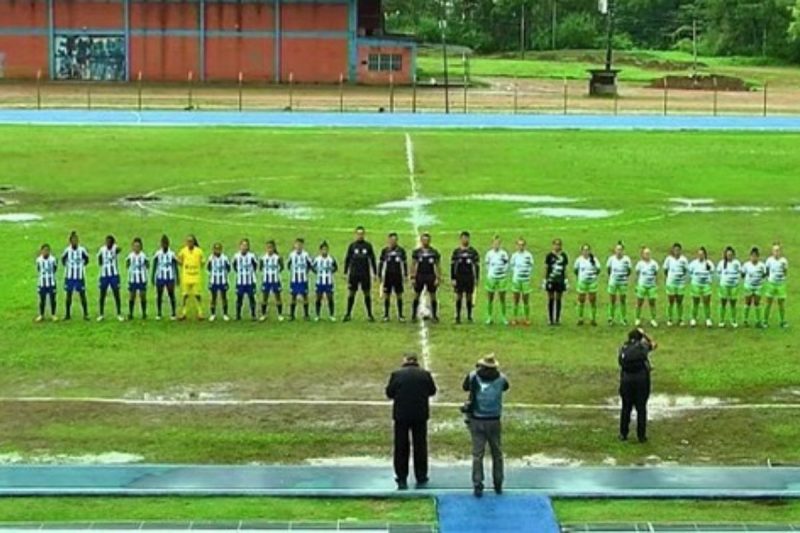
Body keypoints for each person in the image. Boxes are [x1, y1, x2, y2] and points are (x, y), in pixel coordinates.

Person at [385, 353, 437, 491]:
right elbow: (432, 391)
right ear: (416, 361)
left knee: (401, 446)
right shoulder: (425, 374)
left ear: (406, 361)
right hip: (420, 415)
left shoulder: (397, 374)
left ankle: (401, 477)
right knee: (420, 446)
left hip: (401, 416)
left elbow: (389, 393)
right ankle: (421, 476)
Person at [463, 354, 509, 498]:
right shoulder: (502, 378)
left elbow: (465, 387)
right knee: (497, 453)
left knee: (477, 454)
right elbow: (506, 387)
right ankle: (498, 483)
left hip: (477, 420)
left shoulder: (473, 376)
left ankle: (477, 484)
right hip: (494, 420)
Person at [618, 328, 658, 443]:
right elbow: (654, 344)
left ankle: (623, 434)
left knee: (626, 408)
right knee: (641, 409)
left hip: (626, 381)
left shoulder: (623, 348)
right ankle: (641, 436)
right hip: (641, 381)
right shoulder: (642, 347)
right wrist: (645, 334)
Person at [343, 226, 377, 322]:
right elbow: (347, 259)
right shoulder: (352, 246)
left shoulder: (368, 246)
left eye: (362, 234)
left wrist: (375, 273)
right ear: (356, 234)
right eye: (358, 234)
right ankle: (348, 314)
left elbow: (373, 259)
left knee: (367, 294)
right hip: (354, 275)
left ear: (364, 234)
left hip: (365, 275)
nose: (360, 235)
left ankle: (370, 315)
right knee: (351, 294)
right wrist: (345, 272)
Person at [410, 233, 441, 323]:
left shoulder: (434, 252)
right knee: (416, 295)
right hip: (420, 276)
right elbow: (413, 264)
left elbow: (438, 265)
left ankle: (434, 316)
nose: (425, 241)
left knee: (433, 296)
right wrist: (412, 277)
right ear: (421, 240)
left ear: (429, 241)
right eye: (424, 240)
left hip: (430, 276)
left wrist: (438, 278)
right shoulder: (417, 252)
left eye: (427, 240)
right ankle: (413, 315)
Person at [450, 231, 480, 324]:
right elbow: (452, 266)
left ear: (469, 239)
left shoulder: (473, 252)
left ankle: (469, 316)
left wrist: (477, 278)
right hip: (459, 277)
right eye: (463, 238)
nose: (465, 240)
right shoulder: (456, 252)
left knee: (469, 297)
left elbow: (477, 266)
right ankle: (458, 316)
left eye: (466, 238)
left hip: (469, 277)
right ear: (460, 239)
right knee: (458, 296)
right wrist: (453, 278)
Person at [61, 231, 90, 320]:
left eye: (76, 240)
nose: (75, 242)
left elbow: (87, 259)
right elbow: (63, 260)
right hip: (69, 277)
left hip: (79, 277)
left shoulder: (82, 250)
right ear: (70, 241)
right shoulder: (67, 250)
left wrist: (81, 266)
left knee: (82, 295)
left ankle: (85, 314)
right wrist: (68, 267)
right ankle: (67, 314)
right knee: (68, 295)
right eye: (73, 240)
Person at [379, 232, 408, 322]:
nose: (393, 241)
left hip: (398, 276)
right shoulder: (385, 251)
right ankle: (386, 315)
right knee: (387, 295)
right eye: (391, 240)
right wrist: (379, 274)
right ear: (389, 240)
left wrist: (406, 275)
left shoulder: (401, 251)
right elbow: (381, 263)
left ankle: (400, 315)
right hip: (388, 276)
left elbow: (404, 263)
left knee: (399, 295)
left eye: (395, 240)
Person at [177, 235, 204, 320]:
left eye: (191, 241)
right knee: (185, 295)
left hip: (196, 277)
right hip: (186, 277)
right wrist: (183, 265)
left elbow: (202, 262)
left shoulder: (199, 251)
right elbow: (179, 260)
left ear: (194, 242)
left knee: (197, 295)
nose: (189, 243)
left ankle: (200, 313)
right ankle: (184, 313)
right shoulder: (183, 251)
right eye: (188, 241)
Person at [286, 238, 315, 321]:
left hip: (303, 280)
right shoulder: (291, 255)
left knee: (305, 296)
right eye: (297, 245)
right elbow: (288, 265)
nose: (298, 246)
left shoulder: (306, 255)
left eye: (300, 245)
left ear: (302, 246)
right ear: (294, 245)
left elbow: (310, 264)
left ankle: (306, 315)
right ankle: (292, 315)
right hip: (294, 280)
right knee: (293, 296)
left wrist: (307, 271)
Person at [484, 235, 510, 325]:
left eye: (498, 243)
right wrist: (490, 273)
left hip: (502, 278)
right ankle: (489, 317)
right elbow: (487, 265)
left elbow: (507, 265)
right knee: (490, 297)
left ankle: (503, 317)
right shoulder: (489, 254)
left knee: (502, 297)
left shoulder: (504, 254)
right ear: (492, 244)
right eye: (495, 243)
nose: (496, 245)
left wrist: (503, 273)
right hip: (491, 278)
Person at [152, 235, 179, 321]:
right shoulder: (158, 254)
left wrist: (177, 277)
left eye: (166, 243)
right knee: (159, 295)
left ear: (168, 244)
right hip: (160, 277)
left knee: (171, 295)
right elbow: (155, 265)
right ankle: (159, 313)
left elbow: (175, 266)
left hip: (170, 277)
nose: (164, 245)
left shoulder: (172, 254)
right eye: (163, 243)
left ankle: (173, 313)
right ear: (161, 244)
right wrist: (153, 276)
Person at [97, 235, 123, 322]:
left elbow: (119, 249)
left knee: (116, 293)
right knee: (102, 294)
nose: (108, 243)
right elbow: (99, 259)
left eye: (109, 242)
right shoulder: (102, 249)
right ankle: (101, 314)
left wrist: (115, 249)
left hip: (114, 275)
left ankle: (119, 313)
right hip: (104, 275)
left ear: (112, 242)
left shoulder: (115, 248)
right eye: (107, 241)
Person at [509, 237, 534, 326]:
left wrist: (527, 275)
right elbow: (511, 266)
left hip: (526, 280)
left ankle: (527, 318)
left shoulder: (528, 255)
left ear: (525, 246)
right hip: (516, 280)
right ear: (516, 246)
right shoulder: (514, 256)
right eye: (519, 245)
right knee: (516, 299)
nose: (521, 247)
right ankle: (515, 318)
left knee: (526, 299)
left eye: (522, 245)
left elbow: (531, 266)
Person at [663, 243, 690, 327]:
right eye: (675, 250)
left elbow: (686, 270)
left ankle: (680, 319)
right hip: (671, 283)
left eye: (678, 250)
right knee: (671, 301)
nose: (676, 252)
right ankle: (670, 318)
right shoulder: (668, 259)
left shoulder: (684, 260)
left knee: (679, 301)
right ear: (673, 250)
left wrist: (681, 278)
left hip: (680, 284)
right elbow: (665, 270)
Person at [606, 242, 632, 326]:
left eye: (620, 250)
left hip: (623, 283)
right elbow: (609, 270)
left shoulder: (627, 259)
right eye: (617, 249)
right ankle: (610, 317)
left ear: (623, 251)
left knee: (623, 300)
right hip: (613, 282)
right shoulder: (611, 259)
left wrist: (624, 277)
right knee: (612, 300)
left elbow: (629, 271)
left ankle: (623, 318)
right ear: (615, 250)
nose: (619, 251)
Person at [232, 238, 259, 321]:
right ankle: (238, 315)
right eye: (243, 245)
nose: (244, 247)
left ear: (248, 247)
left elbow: (255, 266)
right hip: (240, 281)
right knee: (239, 298)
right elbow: (234, 266)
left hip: (250, 281)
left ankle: (253, 315)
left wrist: (250, 274)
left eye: (246, 245)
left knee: (251, 297)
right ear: (240, 246)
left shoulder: (252, 256)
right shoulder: (236, 256)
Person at [544, 238, 569, 325]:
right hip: (551, 280)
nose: (557, 246)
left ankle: (557, 319)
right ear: (553, 245)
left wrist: (566, 280)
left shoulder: (564, 256)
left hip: (560, 280)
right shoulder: (549, 256)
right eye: (555, 244)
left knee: (558, 299)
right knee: (551, 298)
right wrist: (545, 279)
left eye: (558, 245)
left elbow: (565, 269)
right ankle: (550, 319)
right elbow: (546, 268)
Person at [574, 244, 600, 326]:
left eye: (587, 250)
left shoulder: (594, 260)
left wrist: (593, 277)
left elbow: (598, 269)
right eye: (584, 250)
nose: (586, 252)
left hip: (592, 282)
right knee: (581, 300)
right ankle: (580, 318)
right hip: (582, 282)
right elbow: (576, 270)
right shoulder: (579, 260)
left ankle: (593, 318)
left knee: (592, 300)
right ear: (581, 251)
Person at [716, 246, 742, 328]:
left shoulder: (736, 263)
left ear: (733, 255)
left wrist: (736, 281)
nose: (729, 256)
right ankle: (721, 320)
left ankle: (733, 320)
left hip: (734, 286)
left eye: (731, 255)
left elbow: (740, 272)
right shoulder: (722, 263)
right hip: (724, 286)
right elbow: (718, 273)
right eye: (728, 255)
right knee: (723, 302)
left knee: (733, 303)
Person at [689, 246, 714, 328]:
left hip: (706, 285)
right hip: (696, 284)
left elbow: (712, 272)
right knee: (695, 301)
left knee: (706, 301)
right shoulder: (693, 263)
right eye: (699, 254)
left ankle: (708, 319)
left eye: (702, 254)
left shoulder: (708, 263)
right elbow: (690, 272)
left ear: (705, 255)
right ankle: (693, 318)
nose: (700, 256)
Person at [764, 243, 789, 328]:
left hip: (781, 285)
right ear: (772, 252)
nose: (776, 252)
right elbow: (767, 271)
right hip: (771, 284)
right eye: (774, 250)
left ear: (780, 251)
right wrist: (768, 279)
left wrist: (783, 279)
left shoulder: (784, 261)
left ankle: (782, 321)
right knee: (768, 303)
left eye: (778, 250)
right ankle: (765, 321)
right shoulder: (769, 260)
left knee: (781, 303)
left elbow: (785, 271)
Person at [259, 240, 284, 322]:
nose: (269, 249)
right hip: (266, 280)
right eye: (268, 248)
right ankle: (263, 314)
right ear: (266, 248)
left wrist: (276, 273)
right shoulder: (263, 258)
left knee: (278, 297)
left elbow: (282, 267)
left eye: (271, 248)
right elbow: (261, 268)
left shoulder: (278, 257)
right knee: (265, 297)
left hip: (275, 280)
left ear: (274, 248)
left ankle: (280, 314)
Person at [742, 246, 767, 328]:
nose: (754, 258)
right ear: (750, 256)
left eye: (755, 256)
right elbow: (743, 274)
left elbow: (764, 275)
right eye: (752, 256)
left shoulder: (762, 265)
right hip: (748, 286)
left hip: (758, 287)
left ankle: (758, 321)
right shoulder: (746, 265)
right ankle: (745, 320)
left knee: (757, 303)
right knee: (747, 302)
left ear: (758, 257)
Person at [313, 241, 338, 322]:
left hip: (328, 282)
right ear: (320, 250)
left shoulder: (331, 259)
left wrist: (331, 271)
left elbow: (335, 268)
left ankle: (331, 315)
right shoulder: (317, 259)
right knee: (318, 299)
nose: (325, 251)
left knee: (330, 298)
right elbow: (312, 267)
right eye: (323, 249)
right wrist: (317, 272)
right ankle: (317, 315)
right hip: (319, 282)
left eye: (326, 249)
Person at [634, 247, 659, 328]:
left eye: (648, 253)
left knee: (652, 302)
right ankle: (637, 318)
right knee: (639, 302)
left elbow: (656, 273)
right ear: (642, 255)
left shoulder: (654, 264)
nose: (647, 255)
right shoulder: (640, 264)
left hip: (652, 286)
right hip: (642, 285)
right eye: (645, 253)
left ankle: (653, 319)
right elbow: (637, 273)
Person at [207, 242, 231, 322]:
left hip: (223, 281)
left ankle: (225, 314)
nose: (217, 251)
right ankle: (213, 314)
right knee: (213, 298)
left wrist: (224, 276)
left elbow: (228, 268)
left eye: (218, 249)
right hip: (213, 281)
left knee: (224, 297)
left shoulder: (225, 258)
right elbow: (208, 268)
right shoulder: (210, 258)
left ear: (221, 250)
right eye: (215, 249)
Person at [126, 237, 149, 320]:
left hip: (142, 279)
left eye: (138, 246)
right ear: (132, 247)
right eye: (135, 246)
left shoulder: (144, 256)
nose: (136, 248)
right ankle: (130, 313)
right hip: (133, 279)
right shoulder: (130, 256)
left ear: (141, 247)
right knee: (132, 296)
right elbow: (127, 265)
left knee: (143, 295)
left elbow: (147, 265)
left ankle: (144, 313)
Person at [35, 244, 58, 322]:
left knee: (53, 299)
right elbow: (38, 269)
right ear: (41, 251)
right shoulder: (38, 260)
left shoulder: (53, 259)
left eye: (47, 250)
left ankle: (53, 315)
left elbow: (55, 269)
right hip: (42, 283)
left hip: (51, 282)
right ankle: (41, 315)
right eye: (44, 250)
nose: (46, 252)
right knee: (42, 300)